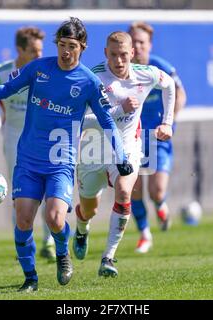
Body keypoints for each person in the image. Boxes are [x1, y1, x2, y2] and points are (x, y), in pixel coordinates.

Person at [0, 17, 133, 292]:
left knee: (55, 218)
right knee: (23, 219)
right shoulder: (38, 68)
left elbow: (107, 121)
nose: (65, 51)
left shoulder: (89, 82)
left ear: (82, 47)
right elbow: (10, 88)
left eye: (71, 46)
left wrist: (121, 155)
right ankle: (30, 279)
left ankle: (63, 252)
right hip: (28, 159)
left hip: (61, 161)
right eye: (61, 44)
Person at [72, 31, 175, 277]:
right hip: (93, 150)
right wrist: (118, 110)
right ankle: (82, 228)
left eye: (123, 55)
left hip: (128, 148)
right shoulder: (91, 77)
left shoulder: (145, 74)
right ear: (106, 53)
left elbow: (169, 84)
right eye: (113, 55)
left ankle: (108, 257)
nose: (118, 61)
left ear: (132, 54)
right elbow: (77, 120)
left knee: (125, 191)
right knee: (89, 208)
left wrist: (167, 122)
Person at [0, 26, 57, 263]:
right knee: (21, 192)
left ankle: (49, 242)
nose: (39, 56)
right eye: (33, 51)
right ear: (19, 49)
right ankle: (24, 243)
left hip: (45, 136)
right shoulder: (1, 73)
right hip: (14, 136)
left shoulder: (48, 71)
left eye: (41, 50)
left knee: (48, 189)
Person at [127, 22, 187, 254]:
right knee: (133, 189)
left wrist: (169, 121)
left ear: (149, 45)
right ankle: (144, 234)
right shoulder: (123, 70)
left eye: (142, 42)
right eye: (134, 42)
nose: (138, 47)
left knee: (157, 191)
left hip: (158, 138)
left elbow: (180, 94)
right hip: (132, 138)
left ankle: (161, 205)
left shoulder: (160, 67)